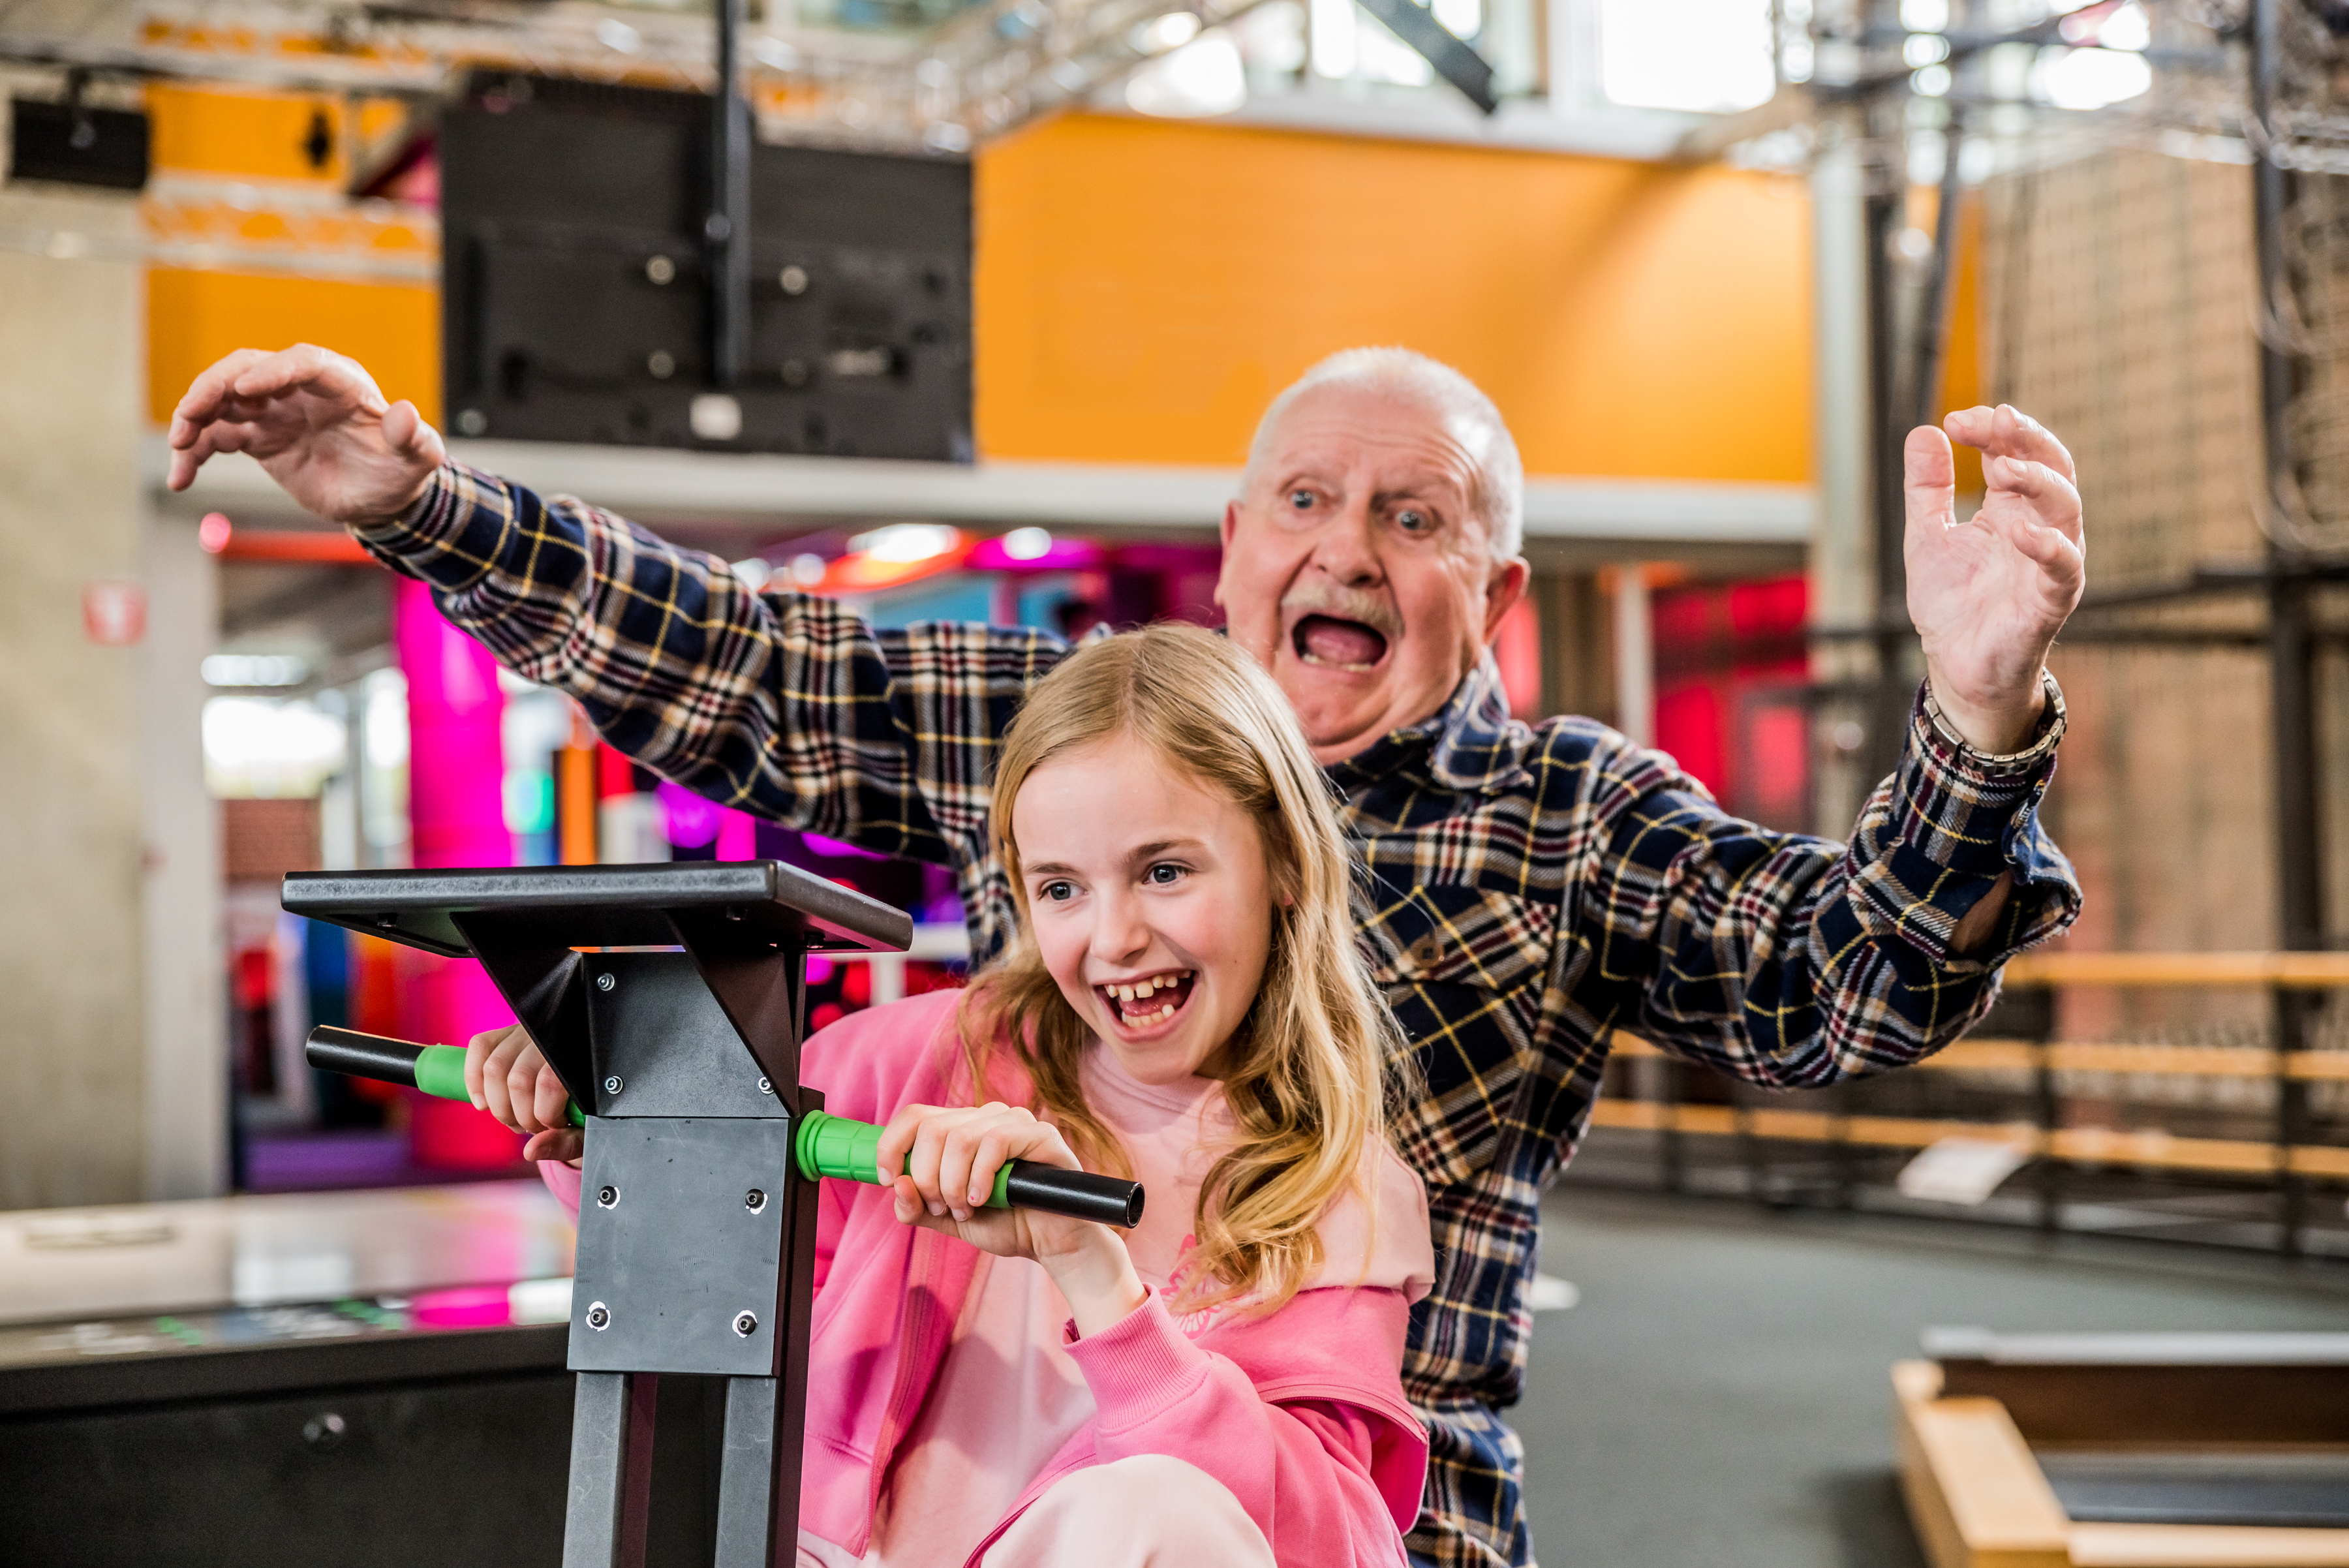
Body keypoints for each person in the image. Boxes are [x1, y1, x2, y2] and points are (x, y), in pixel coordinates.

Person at [168, 342, 2087, 1567]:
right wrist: (428, 506)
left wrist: (1980, 716)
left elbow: (1852, 972)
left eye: (1414, 517)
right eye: (1310, 501)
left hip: (1339, 1499)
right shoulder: (1075, 729)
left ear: (1494, 596)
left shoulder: (1567, 818)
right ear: (1237, 545)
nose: (1349, 547)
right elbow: (757, 676)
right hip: (984, 1466)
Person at [487, 624, 1437, 1567]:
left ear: (1281, 864)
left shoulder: (1340, 1190)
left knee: (1160, 1509)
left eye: (1164, 872)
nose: (1114, 938)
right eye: (1062, 888)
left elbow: (1332, 1543)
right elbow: (708, 1239)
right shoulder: (919, 1060)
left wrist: (1095, 1276)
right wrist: (597, 1110)